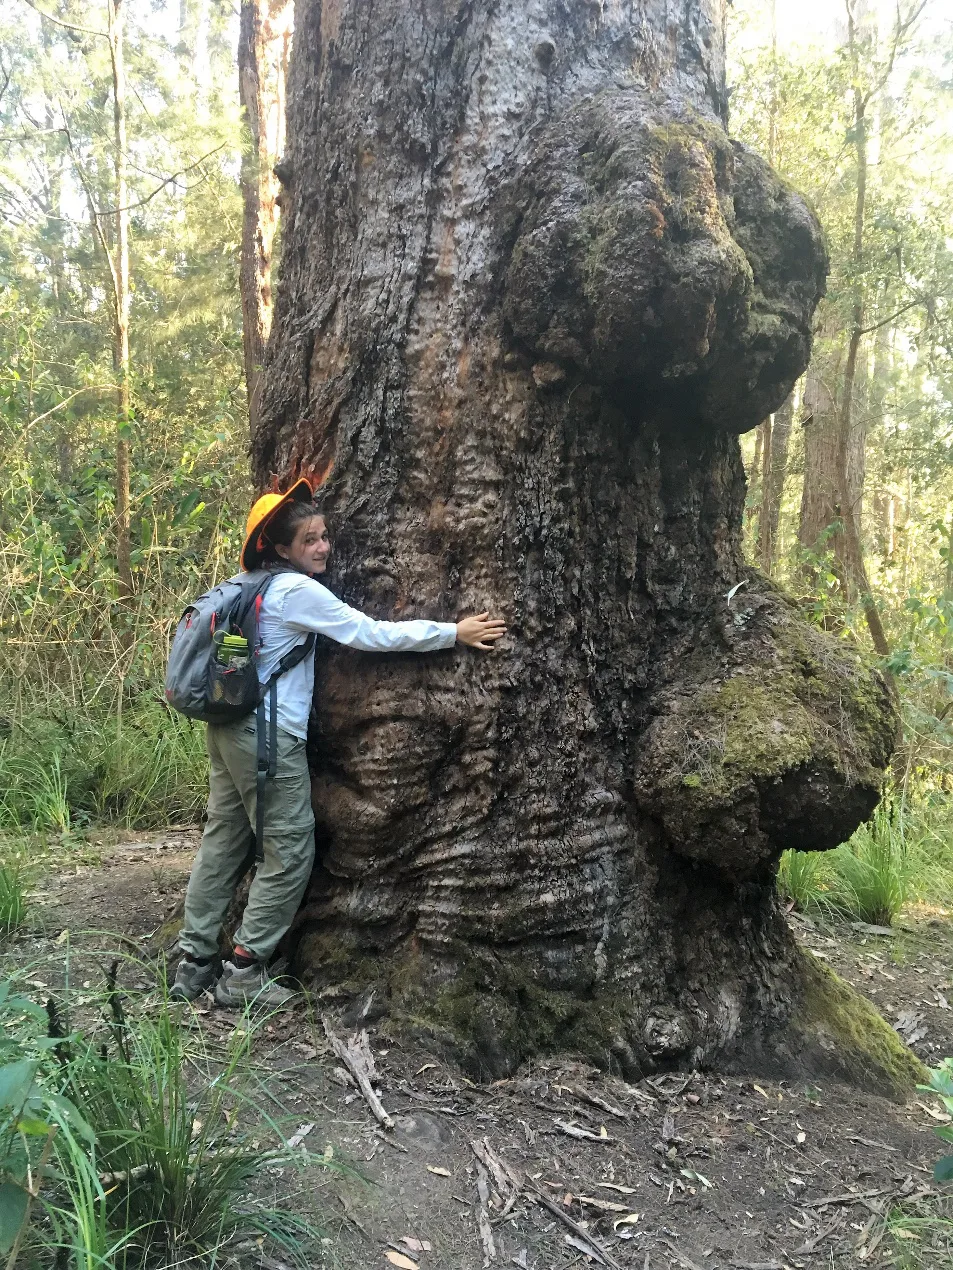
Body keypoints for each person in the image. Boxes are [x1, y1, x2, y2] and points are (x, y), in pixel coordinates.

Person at [171, 479, 505, 1007]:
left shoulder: (248, 584)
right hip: (267, 739)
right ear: (282, 549)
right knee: (291, 850)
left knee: (225, 842)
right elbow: (369, 633)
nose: (323, 547)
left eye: (324, 536)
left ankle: (192, 967)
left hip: (228, 729)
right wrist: (452, 632)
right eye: (310, 540)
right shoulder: (296, 592)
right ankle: (242, 973)